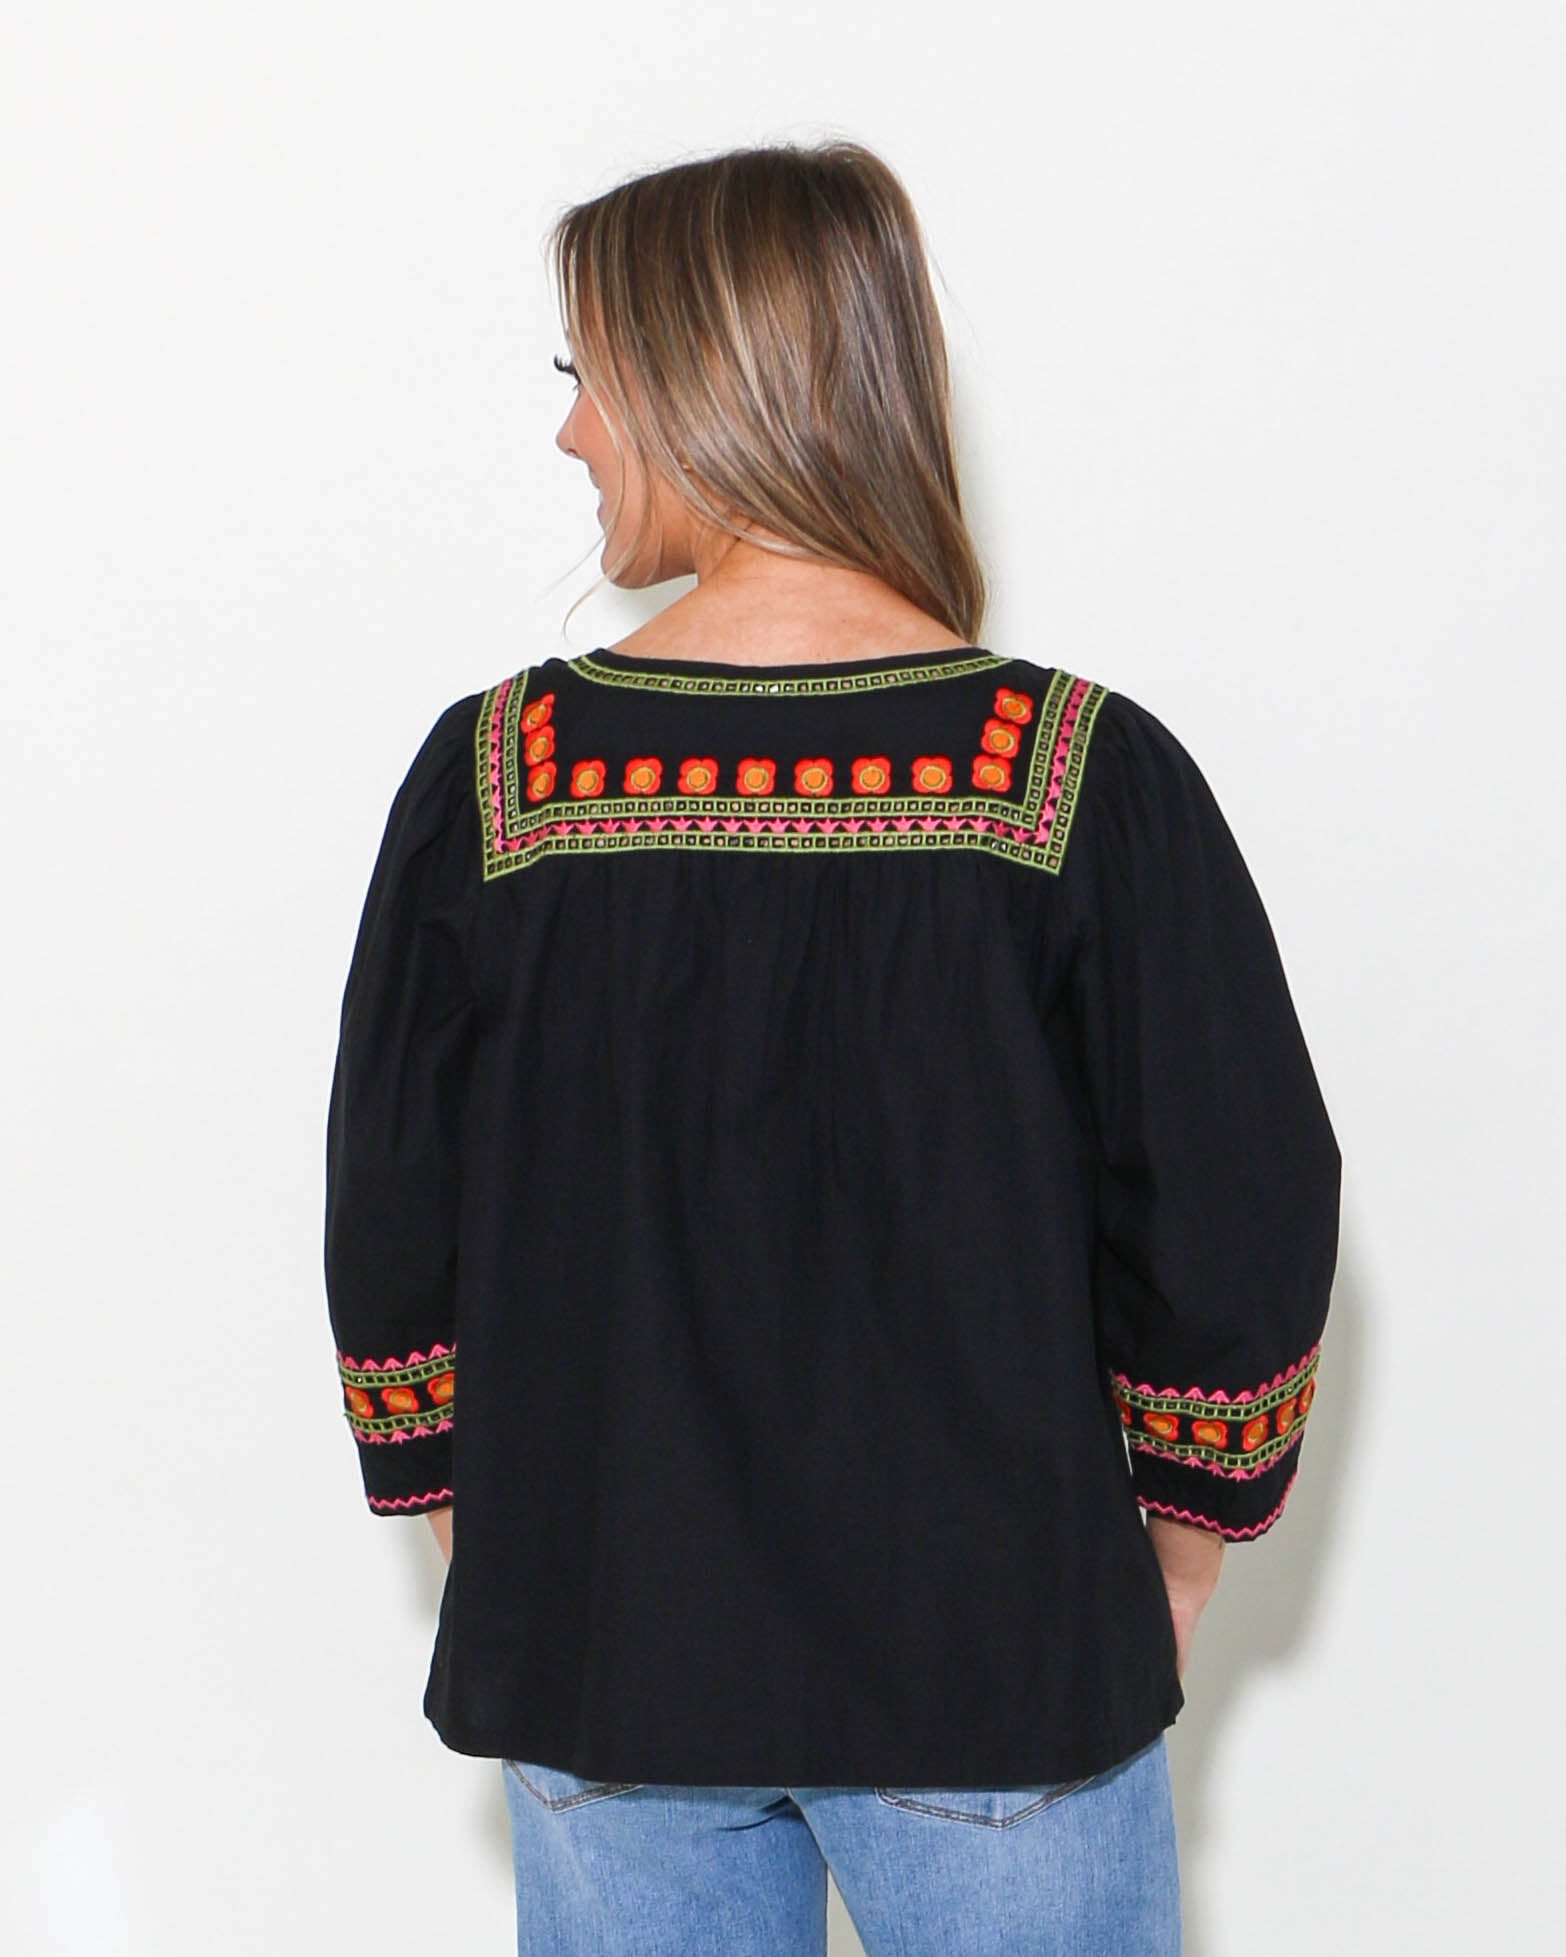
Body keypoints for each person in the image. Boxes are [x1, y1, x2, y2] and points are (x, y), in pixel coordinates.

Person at [323, 139, 1341, 1957]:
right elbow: (1236, 1213)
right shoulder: (1071, 778)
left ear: (701, 384)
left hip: (605, 1654)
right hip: (996, 1661)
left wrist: (510, 1553)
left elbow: (393, 1230)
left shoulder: (502, 783)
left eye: (588, 376)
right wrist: (1173, 1559)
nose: (570, 435)